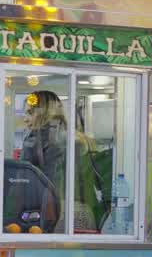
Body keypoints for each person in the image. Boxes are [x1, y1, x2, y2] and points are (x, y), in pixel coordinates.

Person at [20, 91, 100, 232]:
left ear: (43, 113)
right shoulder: (81, 139)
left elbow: (22, 185)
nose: (25, 119)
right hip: (84, 212)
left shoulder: (34, 141)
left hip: (51, 212)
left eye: (30, 113)